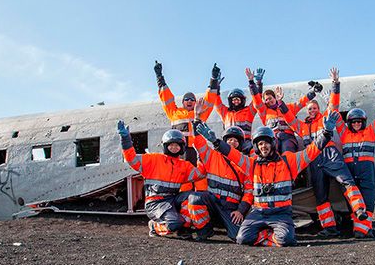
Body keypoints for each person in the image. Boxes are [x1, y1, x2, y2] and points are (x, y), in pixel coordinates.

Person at [198, 111, 340, 247]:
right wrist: (215, 141)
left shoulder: (289, 162)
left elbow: (311, 151)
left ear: (273, 143)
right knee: (242, 238)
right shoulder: (252, 164)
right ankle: (271, 236)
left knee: (287, 240)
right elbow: (233, 154)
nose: (263, 146)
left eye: (266, 142)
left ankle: (271, 236)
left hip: (281, 213)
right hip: (259, 212)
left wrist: (326, 133)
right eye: (260, 144)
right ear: (256, 147)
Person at [290, 67, 368, 237]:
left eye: (314, 108)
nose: (312, 111)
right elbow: (288, 116)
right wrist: (285, 101)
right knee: (320, 194)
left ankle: (359, 209)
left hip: (330, 154)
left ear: (318, 109)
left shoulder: (325, 117)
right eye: (310, 109)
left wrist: (335, 83)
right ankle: (329, 227)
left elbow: (334, 104)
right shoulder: (301, 126)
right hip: (314, 159)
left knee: (346, 181)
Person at [117, 120, 209, 238]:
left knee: (192, 197)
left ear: (182, 147)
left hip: (173, 199)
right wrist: (125, 140)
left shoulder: (184, 165)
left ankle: (183, 229)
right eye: (171, 145)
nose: (174, 147)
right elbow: (132, 159)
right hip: (156, 202)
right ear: (165, 146)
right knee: (174, 224)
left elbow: (200, 174)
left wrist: (200, 155)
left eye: (177, 145)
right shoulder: (153, 159)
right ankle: (154, 226)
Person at [333, 86, 375, 237]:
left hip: (366, 170)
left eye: (359, 122)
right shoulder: (344, 133)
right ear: (349, 123)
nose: (356, 124)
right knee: (352, 202)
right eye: (353, 122)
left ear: (363, 122)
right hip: (350, 171)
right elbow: (336, 116)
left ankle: (363, 229)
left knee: (368, 200)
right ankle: (361, 229)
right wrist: (333, 95)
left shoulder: (371, 132)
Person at [189, 102, 250, 241]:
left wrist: (240, 211)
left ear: (240, 144)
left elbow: (249, 191)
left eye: (236, 141)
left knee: (239, 237)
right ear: (224, 142)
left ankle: (228, 226)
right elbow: (199, 143)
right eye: (230, 140)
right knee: (195, 198)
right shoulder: (212, 156)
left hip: (230, 208)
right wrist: (197, 118)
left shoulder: (244, 162)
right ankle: (204, 231)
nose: (232, 142)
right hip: (212, 201)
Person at [249, 67, 322, 153]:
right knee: (273, 153)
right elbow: (257, 101)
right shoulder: (264, 111)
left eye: (270, 98)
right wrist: (255, 83)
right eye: (266, 100)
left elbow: (301, 103)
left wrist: (313, 92)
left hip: (288, 137)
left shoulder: (287, 107)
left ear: (275, 98)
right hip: (273, 138)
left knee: (287, 152)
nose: (269, 101)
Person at [153, 61, 212, 166]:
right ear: (183, 102)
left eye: (192, 100)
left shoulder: (200, 113)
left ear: (195, 102)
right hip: (179, 149)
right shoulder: (174, 112)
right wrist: (159, 77)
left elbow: (210, 100)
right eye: (187, 99)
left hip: (195, 150)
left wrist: (213, 82)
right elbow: (166, 97)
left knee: (195, 173)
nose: (189, 101)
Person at [204, 64, 257, 153]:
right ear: (230, 101)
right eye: (234, 99)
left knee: (252, 152)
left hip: (245, 143)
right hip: (229, 142)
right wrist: (215, 85)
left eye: (238, 99)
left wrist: (253, 83)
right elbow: (216, 101)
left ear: (242, 100)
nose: (236, 101)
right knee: (218, 151)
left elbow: (257, 100)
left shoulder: (249, 111)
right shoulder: (225, 112)